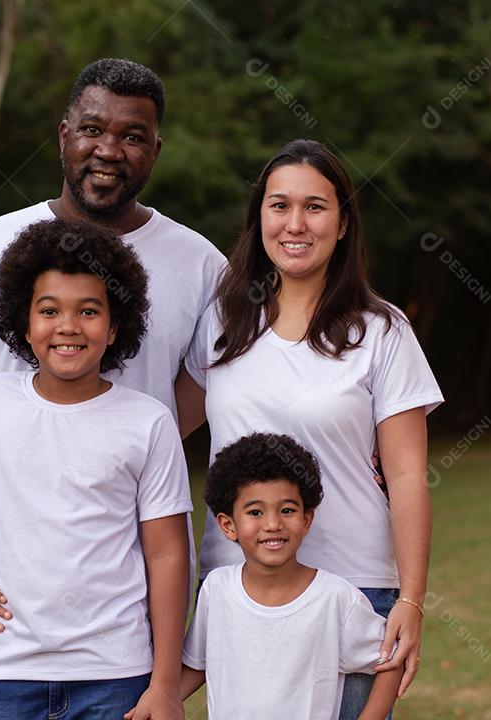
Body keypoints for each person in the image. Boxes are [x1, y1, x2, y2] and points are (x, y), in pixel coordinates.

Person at [0, 58, 224, 677]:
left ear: (155, 150)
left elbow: (212, 383)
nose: (109, 150)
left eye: (133, 136)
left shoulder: (200, 265)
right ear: (63, 134)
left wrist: (121, 446)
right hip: (13, 592)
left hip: (133, 600)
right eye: (92, 129)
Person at [181, 139, 443, 717]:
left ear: (344, 222)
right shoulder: (222, 322)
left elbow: (405, 475)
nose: (295, 224)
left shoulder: (381, 331)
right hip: (238, 586)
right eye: (279, 206)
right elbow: (159, 431)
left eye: (315, 207)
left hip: (353, 585)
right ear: (259, 218)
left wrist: (412, 599)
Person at [0, 218, 190, 719]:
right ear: (25, 322)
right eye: (49, 310)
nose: (68, 325)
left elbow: (168, 554)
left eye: (88, 310)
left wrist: (165, 682)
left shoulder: (148, 422)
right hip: (7, 670)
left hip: (116, 674)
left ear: (114, 326)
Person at [125, 433, 400, 720]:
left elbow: (391, 659)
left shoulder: (336, 598)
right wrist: (158, 700)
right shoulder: (216, 591)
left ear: (306, 520)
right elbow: (198, 664)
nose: (272, 524)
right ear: (228, 525)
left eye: (287, 510)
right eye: (255, 512)